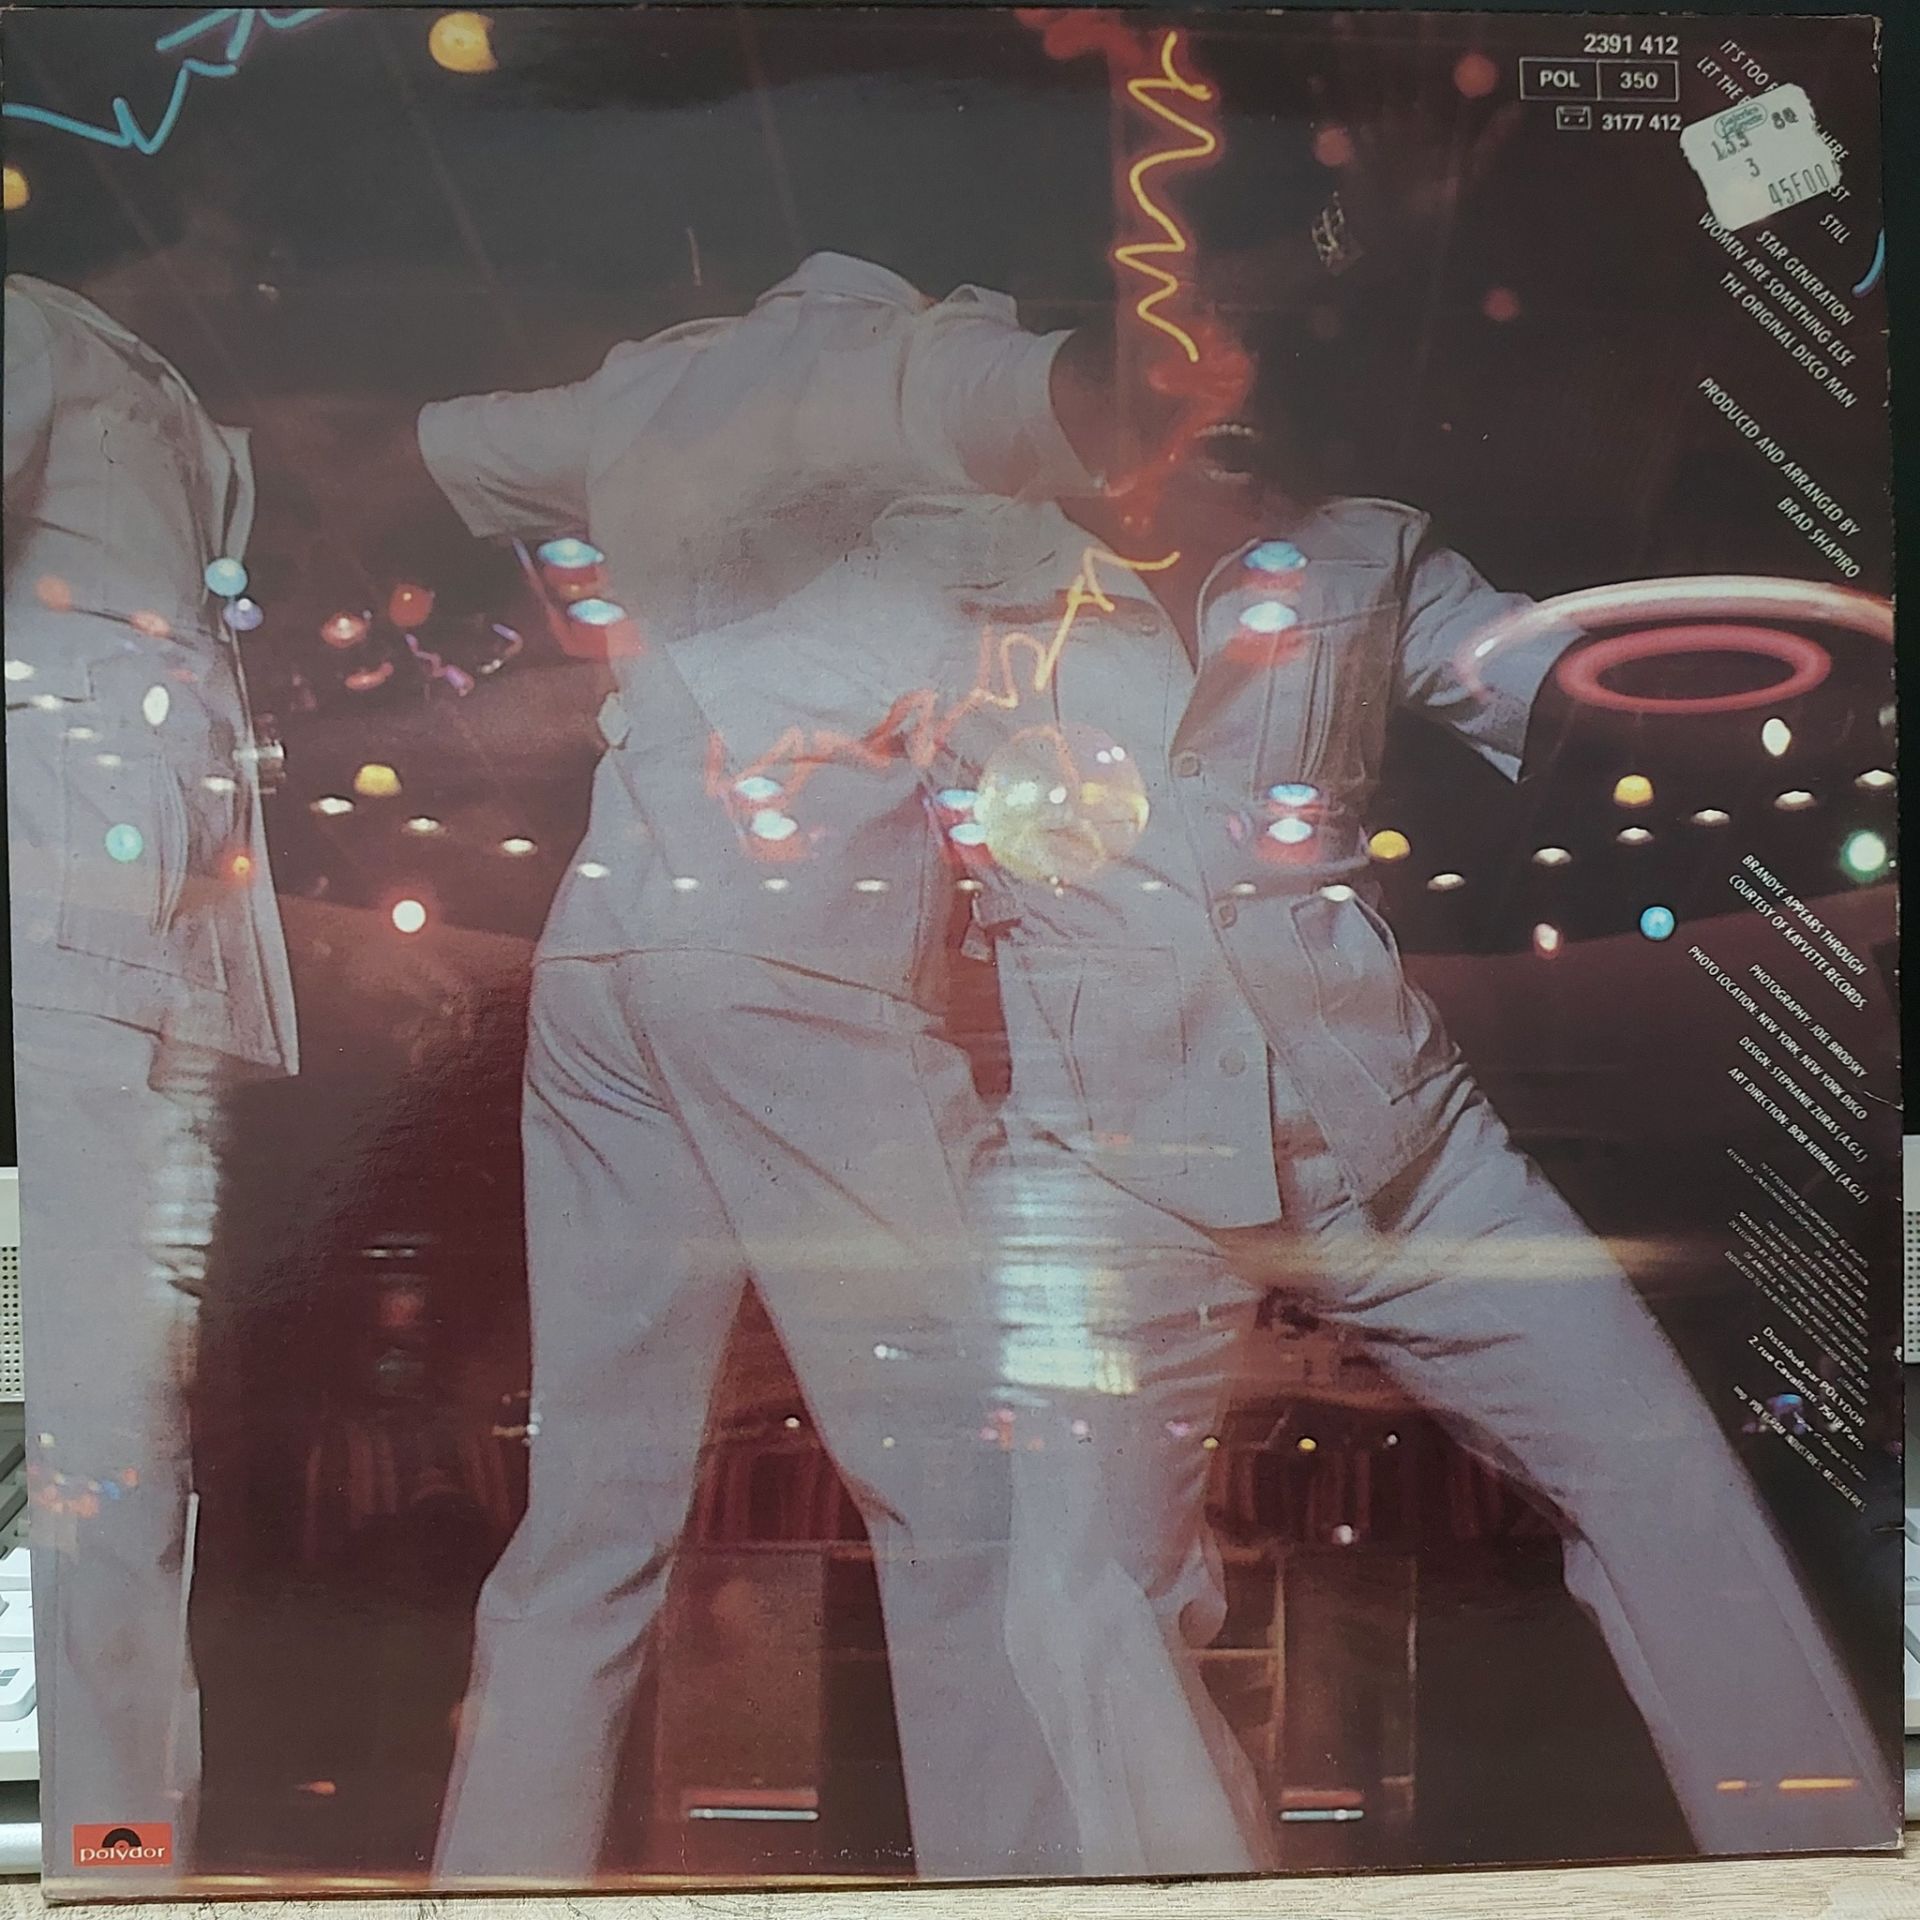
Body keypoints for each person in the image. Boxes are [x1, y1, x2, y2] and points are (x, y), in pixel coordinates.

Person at [875, 350, 1901, 1862]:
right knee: (1081, 1588)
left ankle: (1817, 1869)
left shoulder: (1365, 556)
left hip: (1403, 1148)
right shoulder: (943, 571)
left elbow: (1567, 687)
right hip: (1111, 1173)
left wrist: (1790, 688)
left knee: (1668, 1481)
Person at [413, 251, 1117, 1882]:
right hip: (795, 953)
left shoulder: (649, 381)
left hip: (600, 948)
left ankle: (489, 1890)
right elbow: (1103, 415)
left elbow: (442, 447)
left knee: (590, 1513)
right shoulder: (923, 375)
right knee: (967, 1499)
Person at [4, 265, 297, 1884]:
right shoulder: (29, 329)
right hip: (62, 929)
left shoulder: (166, 386)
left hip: (151, 954)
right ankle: (109, 1849)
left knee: (126, 1443)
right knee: (99, 1441)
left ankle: (119, 1850)